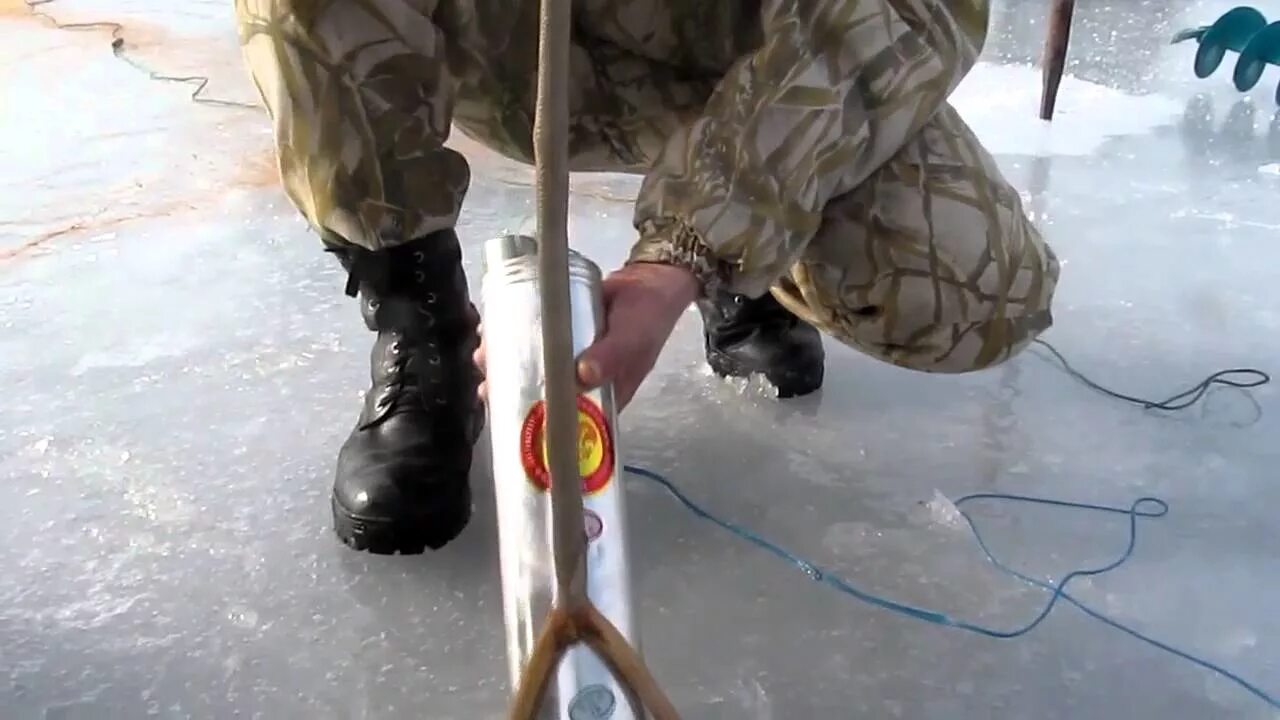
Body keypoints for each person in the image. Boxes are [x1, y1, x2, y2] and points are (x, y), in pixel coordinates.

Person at [234, 0, 1059, 555]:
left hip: (743, 52)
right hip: (501, 39)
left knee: (971, 292)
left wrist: (690, 251)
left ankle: (751, 259)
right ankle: (422, 326)